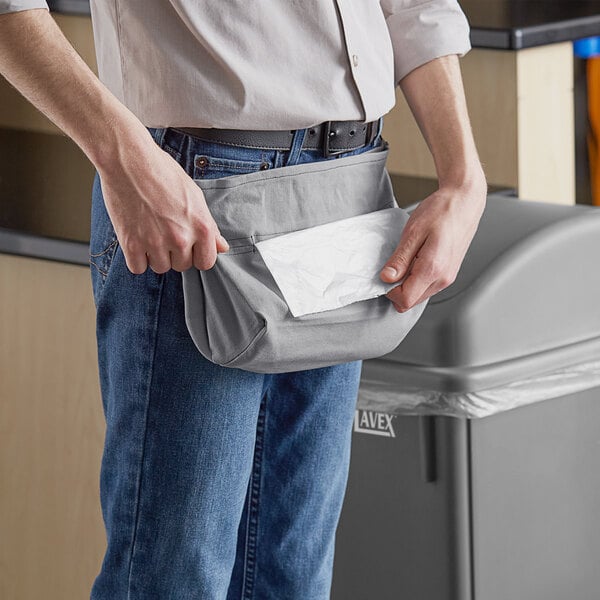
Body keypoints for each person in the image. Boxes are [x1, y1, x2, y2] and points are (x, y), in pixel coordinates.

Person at [0, 1, 486, 598]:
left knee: (293, 573)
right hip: (193, 188)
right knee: (174, 577)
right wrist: (122, 156)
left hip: (347, 184)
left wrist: (464, 175)